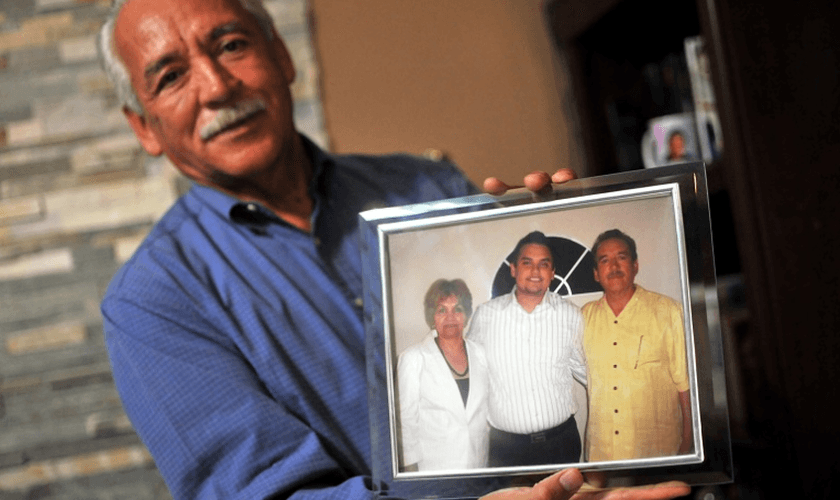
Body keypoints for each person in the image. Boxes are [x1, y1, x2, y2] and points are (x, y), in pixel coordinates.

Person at [97, 0, 690, 497]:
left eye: (231, 46)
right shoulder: (152, 300)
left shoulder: (427, 186)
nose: (217, 86)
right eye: (170, 77)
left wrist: (564, 222)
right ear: (144, 126)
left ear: (281, 54)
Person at [467, 231, 587, 467]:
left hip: (561, 445)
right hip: (506, 450)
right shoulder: (486, 316)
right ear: (513, 269)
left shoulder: (571, 315)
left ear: (552, 273)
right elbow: (471, 374)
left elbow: (589, 372)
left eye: (544, 264)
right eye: (527, 263)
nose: (535, 271)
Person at [582, 229, 692, 461]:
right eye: (604, 260)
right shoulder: (584, 317)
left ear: (635, 265)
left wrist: (689, 440)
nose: (613, 266)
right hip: (602, 454)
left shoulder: (668, 311)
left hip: (656, 452)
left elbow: (685, 384)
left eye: (621, 257)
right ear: (596, 274)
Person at [398, 279, 489, 471]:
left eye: (458, 309)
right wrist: (410, 471)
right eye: (442, 310)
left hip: (478, 464)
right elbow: (405, 421)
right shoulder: (413, 358)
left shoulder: (481, 353)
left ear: (467, 315)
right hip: (434, 467)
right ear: (432, 317)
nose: (450, 317)